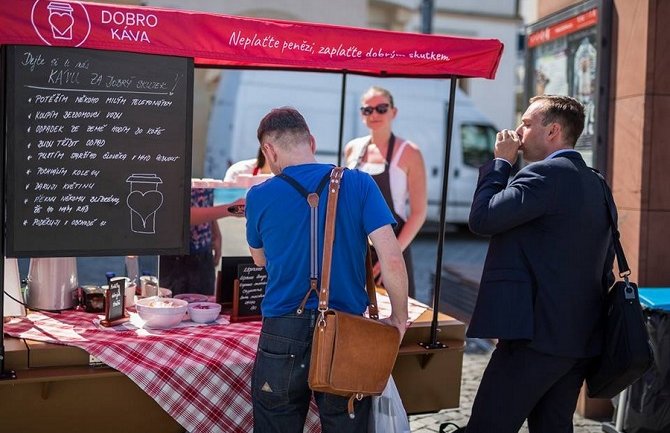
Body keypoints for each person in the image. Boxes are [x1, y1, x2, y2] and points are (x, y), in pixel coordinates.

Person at [246, 107, 408, 432]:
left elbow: (259, 261)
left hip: (282, 328)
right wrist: (399, 319)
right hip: (345, 330)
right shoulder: (360, 184)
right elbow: (391, 258)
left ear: (269, 150)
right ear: (312, 142)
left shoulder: (258, 195)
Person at [465, 95, 615, 433]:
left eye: (527, 123)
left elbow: (482, 218)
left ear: (553, 131)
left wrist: (501, 164)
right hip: (578, 342)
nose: (518, 130)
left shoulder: (545, 177)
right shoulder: (597, 183)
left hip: (534, 341)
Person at [344, 86, 426, 298]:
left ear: (393, 112)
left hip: (393, 246)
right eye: (367, 110)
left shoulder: (409, 152)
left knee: (392, 319)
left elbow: (419, 213)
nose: (374, 114)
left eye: (381, 108)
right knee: (351, 316)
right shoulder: (352, 148)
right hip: (355, 247)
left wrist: (391, 255)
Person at [159, 188, 245, 296]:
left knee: (205, 307)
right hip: (174, 257)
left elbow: (205, 203)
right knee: (173, 308)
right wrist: (230, 209)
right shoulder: (172, 174)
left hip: (203, 253)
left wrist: (215, 232)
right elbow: (178, 214)